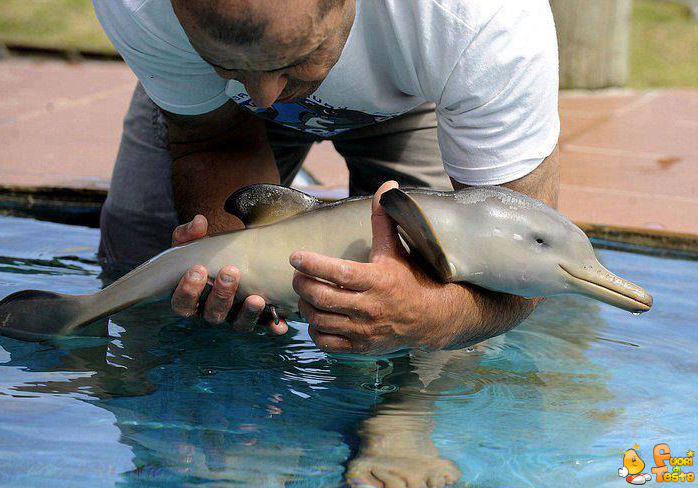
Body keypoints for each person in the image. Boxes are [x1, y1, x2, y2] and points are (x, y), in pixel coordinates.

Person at [94, 1, 559, 485]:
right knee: (142, 262)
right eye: (229, 62)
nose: (265, 95)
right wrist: (232, 256)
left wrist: (426, 315)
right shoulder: (140, 6)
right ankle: (166, 405)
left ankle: (402, 418)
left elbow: (517, 269)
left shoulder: (480, 20)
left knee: (443, 270)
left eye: (297, 57)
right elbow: (211, 140)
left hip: (414, 88)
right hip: (217, 111)